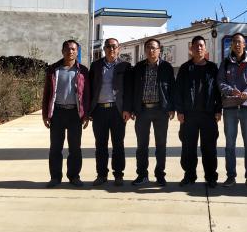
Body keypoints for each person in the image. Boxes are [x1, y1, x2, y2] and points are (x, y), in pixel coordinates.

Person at [127, 38, 176, 187]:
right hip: (142, 111)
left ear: (159, 50)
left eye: (154, 48)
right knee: (142, 145)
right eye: (148, 47)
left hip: (161, 111)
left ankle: (160, 175)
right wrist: (132, 108)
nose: (151, 50)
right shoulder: (139, 67)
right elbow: (132, 89)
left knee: (161, 145)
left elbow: (172, 88)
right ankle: (142, 175)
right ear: (145, 50)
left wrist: (171, 108)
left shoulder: (166, 67)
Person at [42, 40, 90, 188]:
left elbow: (86, 94)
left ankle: (74, 176)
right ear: (62, 51)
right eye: (68, 49)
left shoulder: (83, 71)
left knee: (75, 148)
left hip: (75, 114)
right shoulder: (53, 69)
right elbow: (47, 93)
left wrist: (86, 114)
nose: (71, 52)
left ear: (77, 52)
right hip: (57, 113)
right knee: (55, 148)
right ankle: (55, 177)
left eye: (74, 49)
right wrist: (45, 115)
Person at [175, 36, 221, 187]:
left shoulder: (213, 68)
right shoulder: (184, 68)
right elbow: (178, 91)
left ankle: (211, 177)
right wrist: (180, 111)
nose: (199, 48)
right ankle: (189, 175)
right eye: (196, 46)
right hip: (189, 115)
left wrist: (218, 110)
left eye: (201, 45)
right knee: (188, 147)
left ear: (205, 48)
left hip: (208, 114)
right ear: (191, 49)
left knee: (209, 148)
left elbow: (218, 91)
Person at [217, 32, 247, 187]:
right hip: (230, 108)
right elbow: (220, 82)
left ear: (244, 44)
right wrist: (231, 91)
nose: (237, 44)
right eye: (234, 42)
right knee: (230, 144)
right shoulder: (225, 63)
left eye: (239, 42)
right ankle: (231, 176)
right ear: (231, 45)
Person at [87, 37, 131, 186]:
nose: (111, 49)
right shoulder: (96, 66)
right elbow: (90, 88)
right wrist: (90, 110)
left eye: (114, 46)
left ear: (119, 48)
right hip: (99, 110)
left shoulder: (125, 66)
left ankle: (118, 175)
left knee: (118, 144)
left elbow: (129, 90)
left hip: (117, 111)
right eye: (108, 46)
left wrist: (127, 109)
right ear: (104, 49)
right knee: (100, 145)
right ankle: (101, 175)